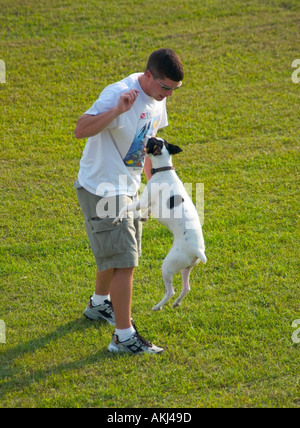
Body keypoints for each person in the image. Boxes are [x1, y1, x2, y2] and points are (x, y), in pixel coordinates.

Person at [74, 48, 184, 354]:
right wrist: (116, 112)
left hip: (128, 188)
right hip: (103, 188)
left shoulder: (157, 101)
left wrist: (157, 184)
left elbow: (144, 147)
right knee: (125, 261)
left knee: (119, 252)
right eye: (165, 87)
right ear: (148, 75)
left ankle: (99, 305)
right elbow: (80, 129)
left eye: (174, 90)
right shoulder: (119, 94)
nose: (168, 95)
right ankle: (123, 337)